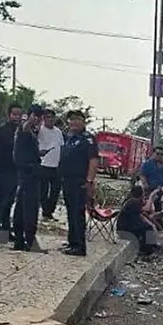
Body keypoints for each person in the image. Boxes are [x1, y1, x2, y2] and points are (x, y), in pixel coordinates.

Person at [59, 110, 99, 257]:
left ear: (83, 121)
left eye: (77, 119)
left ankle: (79, 246)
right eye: (71, 120)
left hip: (79, 181)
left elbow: (93, 161)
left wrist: (89, 181)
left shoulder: (87, 139)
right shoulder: (70, 138)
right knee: (70, 212)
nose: (73, 122)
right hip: (67, 180)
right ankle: (72, 242)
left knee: (77, 213)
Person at [12, 105, 46, 252]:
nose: (38, 119)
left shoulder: (30, 131)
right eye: (35, 115)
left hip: (28, 173)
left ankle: (20, 240)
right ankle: (30, 242)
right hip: (29, 174)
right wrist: (31, 121)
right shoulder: (24, 128)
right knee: (30, 210)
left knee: (20, 209)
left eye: (40, 116)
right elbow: (25, 128)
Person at [0, 103, 22, 243]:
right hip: (3, 169)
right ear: (9, 114)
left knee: (9, 201)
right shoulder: (3, 129)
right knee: (1, 200)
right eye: (14, 114)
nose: (17, 117)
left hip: (15, 170)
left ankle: (6, 230)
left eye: (19, 114)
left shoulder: (21, 129)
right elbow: (10, 145)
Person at [117, 185, 162, 257]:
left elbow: (143, 214)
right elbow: (147, 209)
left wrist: (154, 224)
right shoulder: (133, 202)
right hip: (125, 228)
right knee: (147, 229)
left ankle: (152, 246)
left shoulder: (133, 201)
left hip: (128, 225)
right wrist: (151, 196)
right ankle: (147, 250)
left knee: (146, 227)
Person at [38, 108, 64, 221]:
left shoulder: (58, 132)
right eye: (48, 117)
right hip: (44, 164)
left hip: (56, 166)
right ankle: (45, 211)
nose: (50, 120)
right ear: (44, 118)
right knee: (43, 191)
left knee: (55, 191)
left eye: (52, 117)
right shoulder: (40, 130)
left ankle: (50, 211)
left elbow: (61, 146)